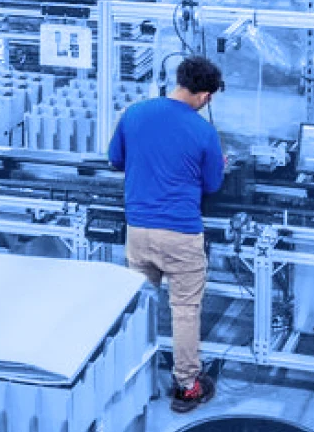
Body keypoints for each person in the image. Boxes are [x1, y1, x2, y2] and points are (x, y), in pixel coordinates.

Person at [108, 56, 226, 414]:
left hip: (138, 230)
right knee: (185, 311)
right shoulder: (204, 131)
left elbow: (116, 159)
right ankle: (187, 386)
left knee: (139, 308)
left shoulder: (134, 113)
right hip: (180, 234)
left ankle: (132, 381)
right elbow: (212, 184)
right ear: (204, 96)